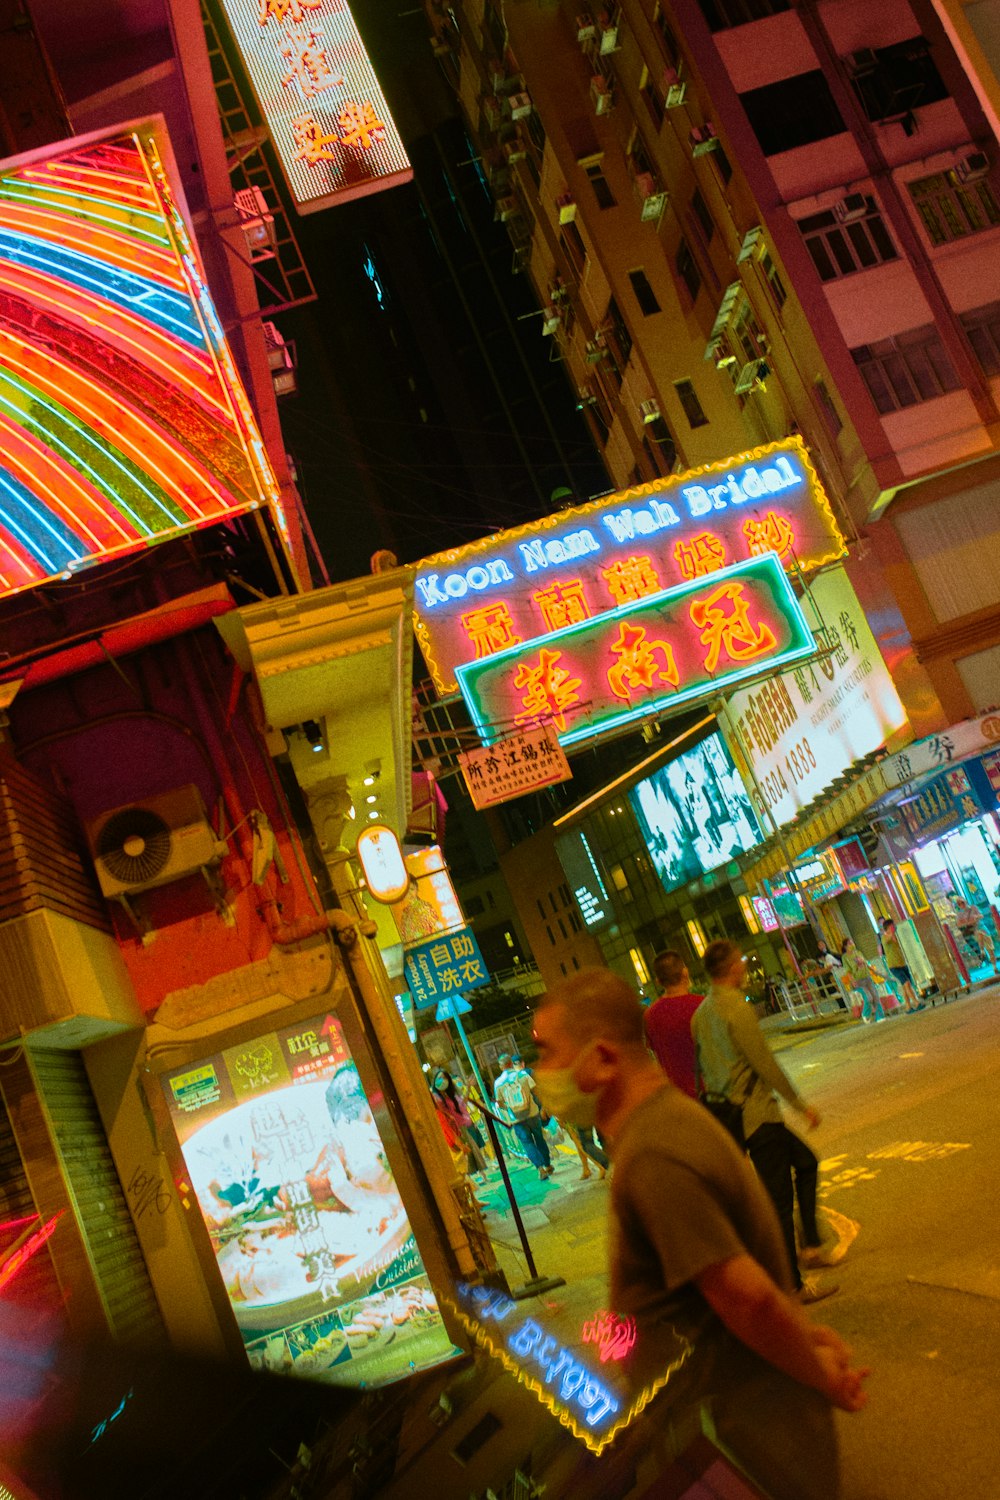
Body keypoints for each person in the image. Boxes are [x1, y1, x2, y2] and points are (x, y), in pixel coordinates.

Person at [531, 967, 868, 1500]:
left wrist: (822, 1377)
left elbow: (746, 1299)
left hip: (746, 1443)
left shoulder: (656, 1153)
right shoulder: (659, 1129)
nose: (540, 1072)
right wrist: (805, 1340)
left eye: (547, 1052)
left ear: (601, 1059)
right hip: (734, 1433)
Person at [693, 940, 854, 1301]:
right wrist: (800, 1104)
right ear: (730, 968)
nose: (744, 966)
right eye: (740, 962)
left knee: (806, 1161)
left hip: (730, 1116)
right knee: (778, 1201)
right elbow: (763, 1062)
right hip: (757, 1116)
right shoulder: (737, 1009)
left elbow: (702, 1069)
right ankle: (792, 1284)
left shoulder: (700, 1014)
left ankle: (810, 1245)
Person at [643, 949, 702, 1098]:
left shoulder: (650, 1016)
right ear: (685, 973)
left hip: (677, 1097)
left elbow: (654, 1053)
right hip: (710, 1093)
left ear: (658, 981)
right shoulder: (701, 1006)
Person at [493, 1052, 553, 1180]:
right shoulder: (522, 1074)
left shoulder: (498, 1083)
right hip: (532, 1113)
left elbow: (499, 1103)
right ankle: (548, 1165)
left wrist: (509, 1108)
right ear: (511, 1063)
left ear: (501, 1066)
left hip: (516, 1119)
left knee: (527, 1143)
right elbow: (536, 1090)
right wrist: (542, 1107)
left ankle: (540, 1168)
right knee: (539, 1139)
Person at [430, 1068, 490, 1180]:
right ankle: (471, 1179)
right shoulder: (437, 1097)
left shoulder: (452, 1094)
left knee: (473, 1151)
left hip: (467, 1123)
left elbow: (463, 1104)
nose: (442, 1081)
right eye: (439, 1078)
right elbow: (443, 1113)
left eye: (444, 1078)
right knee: (466, 1154)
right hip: (456, 1129)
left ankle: (480, 1177)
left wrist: (467, 1088)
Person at [878, 918, 924, 1012]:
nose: (894, 927)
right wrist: (891, 932)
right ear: (889, 927)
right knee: (906, 983)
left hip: (902, 963)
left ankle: (908, 1007)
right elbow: (887, 940)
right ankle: (916, 1002)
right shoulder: (884, 937)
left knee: (905, 986)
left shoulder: (896, 936)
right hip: (894, 966)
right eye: (892, 926)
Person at [840, 937, 886, 1023]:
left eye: (852, 942)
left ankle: (880, 1016)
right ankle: (865, 1014)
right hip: (858, 980)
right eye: (850, 943)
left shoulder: (858, 952)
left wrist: (872, 969)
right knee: (868, 997)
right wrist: (852, 980)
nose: (852, 944)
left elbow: (865, 962)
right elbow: (848, 971)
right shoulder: (845, 957)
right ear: (845, 946)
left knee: (875, 995)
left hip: (867, 977)